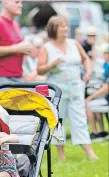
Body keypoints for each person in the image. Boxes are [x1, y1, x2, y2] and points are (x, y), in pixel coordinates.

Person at [37, 15, 98, 160]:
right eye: (62, 26)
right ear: (54, 29)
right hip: (58, 90)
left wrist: (88, 71)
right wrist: (52, 65)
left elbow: (85, 59)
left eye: (66, 25)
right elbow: (40, 70)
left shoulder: (74, 44)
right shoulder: (47, 48)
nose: (65, 28)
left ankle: (90, 152)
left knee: (80, 119)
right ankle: (61, 155)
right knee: (59, 121)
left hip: (76, 88)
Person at [0, 0, 33, 85]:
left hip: (19, 77)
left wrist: (26, 50)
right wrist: (16, 49)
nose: (20, 5)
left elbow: (18, 48)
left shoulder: (16, 24)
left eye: (21, 3)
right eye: (17, 2)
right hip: (3, 78)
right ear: (5, 3)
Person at [86, 45, 109, 141]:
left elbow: (106, 88)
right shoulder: (105, 65)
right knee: (96, 104)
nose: (104, 55)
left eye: (105, 53)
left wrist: (89, 98)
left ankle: (95, 133)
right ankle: (102, 132)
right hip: (105, 97)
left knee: (88, 104)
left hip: (107, 98)